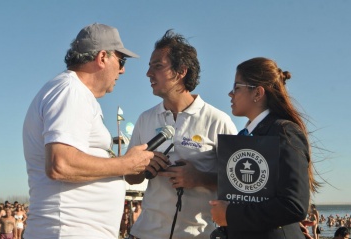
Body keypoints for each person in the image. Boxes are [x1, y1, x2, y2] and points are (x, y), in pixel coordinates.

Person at [22, 23, 154, 239]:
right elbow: (61, 163)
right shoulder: (71, 91)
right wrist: (127, 164)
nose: (123, 70)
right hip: (68, 231)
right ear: (102, 57)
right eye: (121, 61)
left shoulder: (71, 91)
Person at [125, 30, 238, 239]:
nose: (148, 73)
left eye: (157, 66)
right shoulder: (145, 118)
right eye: (149, 66)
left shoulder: (218, 121)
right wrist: (141, 166)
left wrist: (200, 178)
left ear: (181, 71)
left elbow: (239, 184)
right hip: (143, 234)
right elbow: (130, 178)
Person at [209, 57, 319, 239]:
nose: (230, 93)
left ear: (257, 93)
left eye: (237, 87)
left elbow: (294, 204)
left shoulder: (283, 131)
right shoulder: (247, 135)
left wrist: (230, 214)